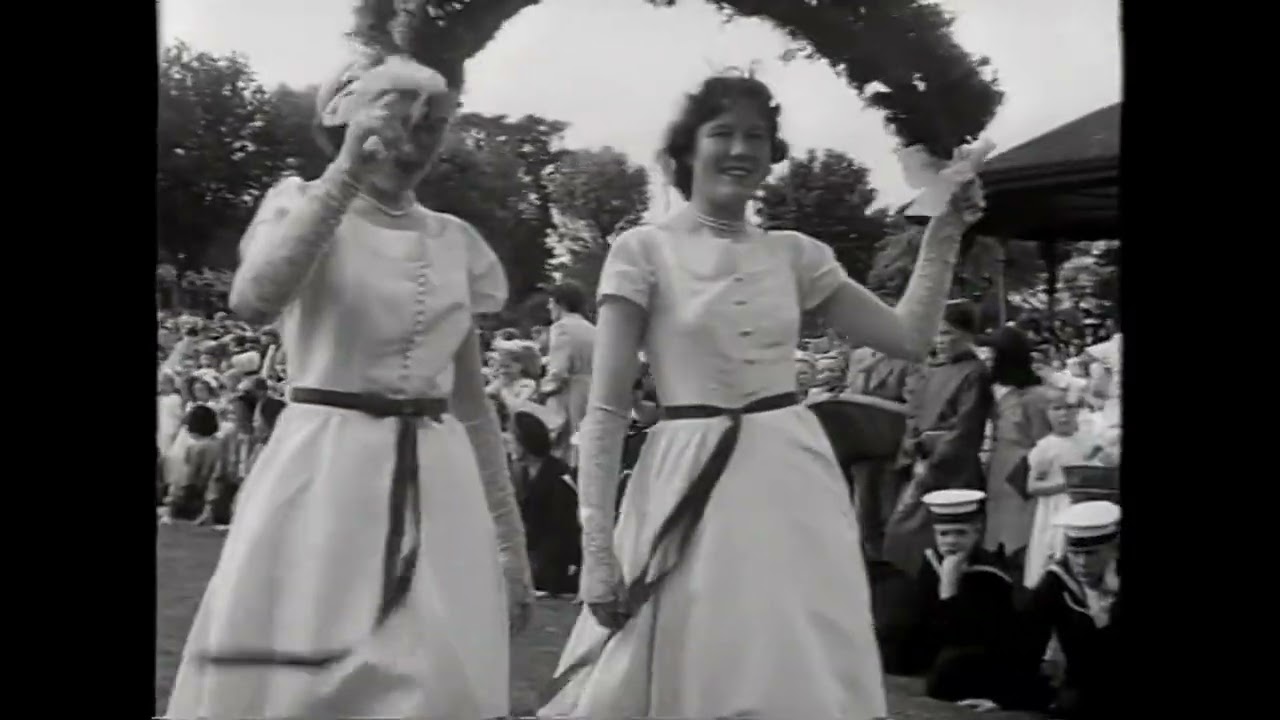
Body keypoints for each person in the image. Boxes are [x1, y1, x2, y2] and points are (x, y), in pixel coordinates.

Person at [539, 72, 984, 719]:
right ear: (687, 150)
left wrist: (944, 232)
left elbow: (910, 337)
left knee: (795, 655)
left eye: (757, 136)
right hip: (685, 483)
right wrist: (598, 553)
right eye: (723, 133)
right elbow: (605, 415)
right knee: (703, 657)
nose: (741, 149)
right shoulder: (643, 251)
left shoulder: (795, 255)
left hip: (791, 482)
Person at [164, 13, 533, 718]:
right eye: (393, 115)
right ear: (344, 115)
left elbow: (473, 406)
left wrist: (509, 546)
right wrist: (344, 177)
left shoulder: (455, 242)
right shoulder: (299, 205)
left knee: (434, 680)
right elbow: (254, 299)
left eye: (430, 124)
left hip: (439, 487)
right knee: (304, 677)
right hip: (324, 476)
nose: (409, 139)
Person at [901, 489, 1047, 713]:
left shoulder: (991, 575)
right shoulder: (931, 565)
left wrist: (948, 591)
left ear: (976, 532)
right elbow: (926, 627)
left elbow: (977, 636)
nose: (951, 541)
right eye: (943, 534)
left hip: (992, 663)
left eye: (960, 533)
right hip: (945, 666)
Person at [884, 299, 993, 576]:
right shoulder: (934, 369)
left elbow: (965, 430)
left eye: (946, 332)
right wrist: (912, 451)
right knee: (901, 535)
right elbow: (915, 415)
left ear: (966, 334)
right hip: (921, 463)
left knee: (937, 537)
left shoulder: (975, 373)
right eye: (937, 332)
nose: (939, 339)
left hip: (951, 472)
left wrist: (931, 464)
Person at [1021, 500, 1122, 719]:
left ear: (1114, 549)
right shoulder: (1057, 581)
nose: (1082, 563)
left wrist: (1106, 617)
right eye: (1075, 553)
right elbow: (1027, 644)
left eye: (1092, 553)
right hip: (1080, 692)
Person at [981, 326, 1054, 573]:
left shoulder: (1036, 397)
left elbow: (1044, 442)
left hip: (1021, 475)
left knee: (1020, 541)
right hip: (1000, 472)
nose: (988, 361)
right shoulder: (1005, 395)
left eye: (993, 357)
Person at [1023, 388, 1100, 586]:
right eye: (1057, 409)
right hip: (1056, 508)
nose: (1064, 414)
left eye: (1069, 408)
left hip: (1082, 505)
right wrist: (1066, 484)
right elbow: (1032, 486)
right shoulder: (1045, 447)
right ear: (1047, 413)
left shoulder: (1085, 441)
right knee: (1056, 549)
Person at [511, 402, 581, 598]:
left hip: (551, 562)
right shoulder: (519, 474)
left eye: (514, 439)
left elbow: (562, 533)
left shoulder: (559, 478)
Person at [540, 281, 596, 465]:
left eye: (550, 301)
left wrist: (542, 391)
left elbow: (558, 371)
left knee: (563, 449)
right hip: (590, 391)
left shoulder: (561, 327)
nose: (549, 306)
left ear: (559, 302)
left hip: (570, 395)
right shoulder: (592, 328)